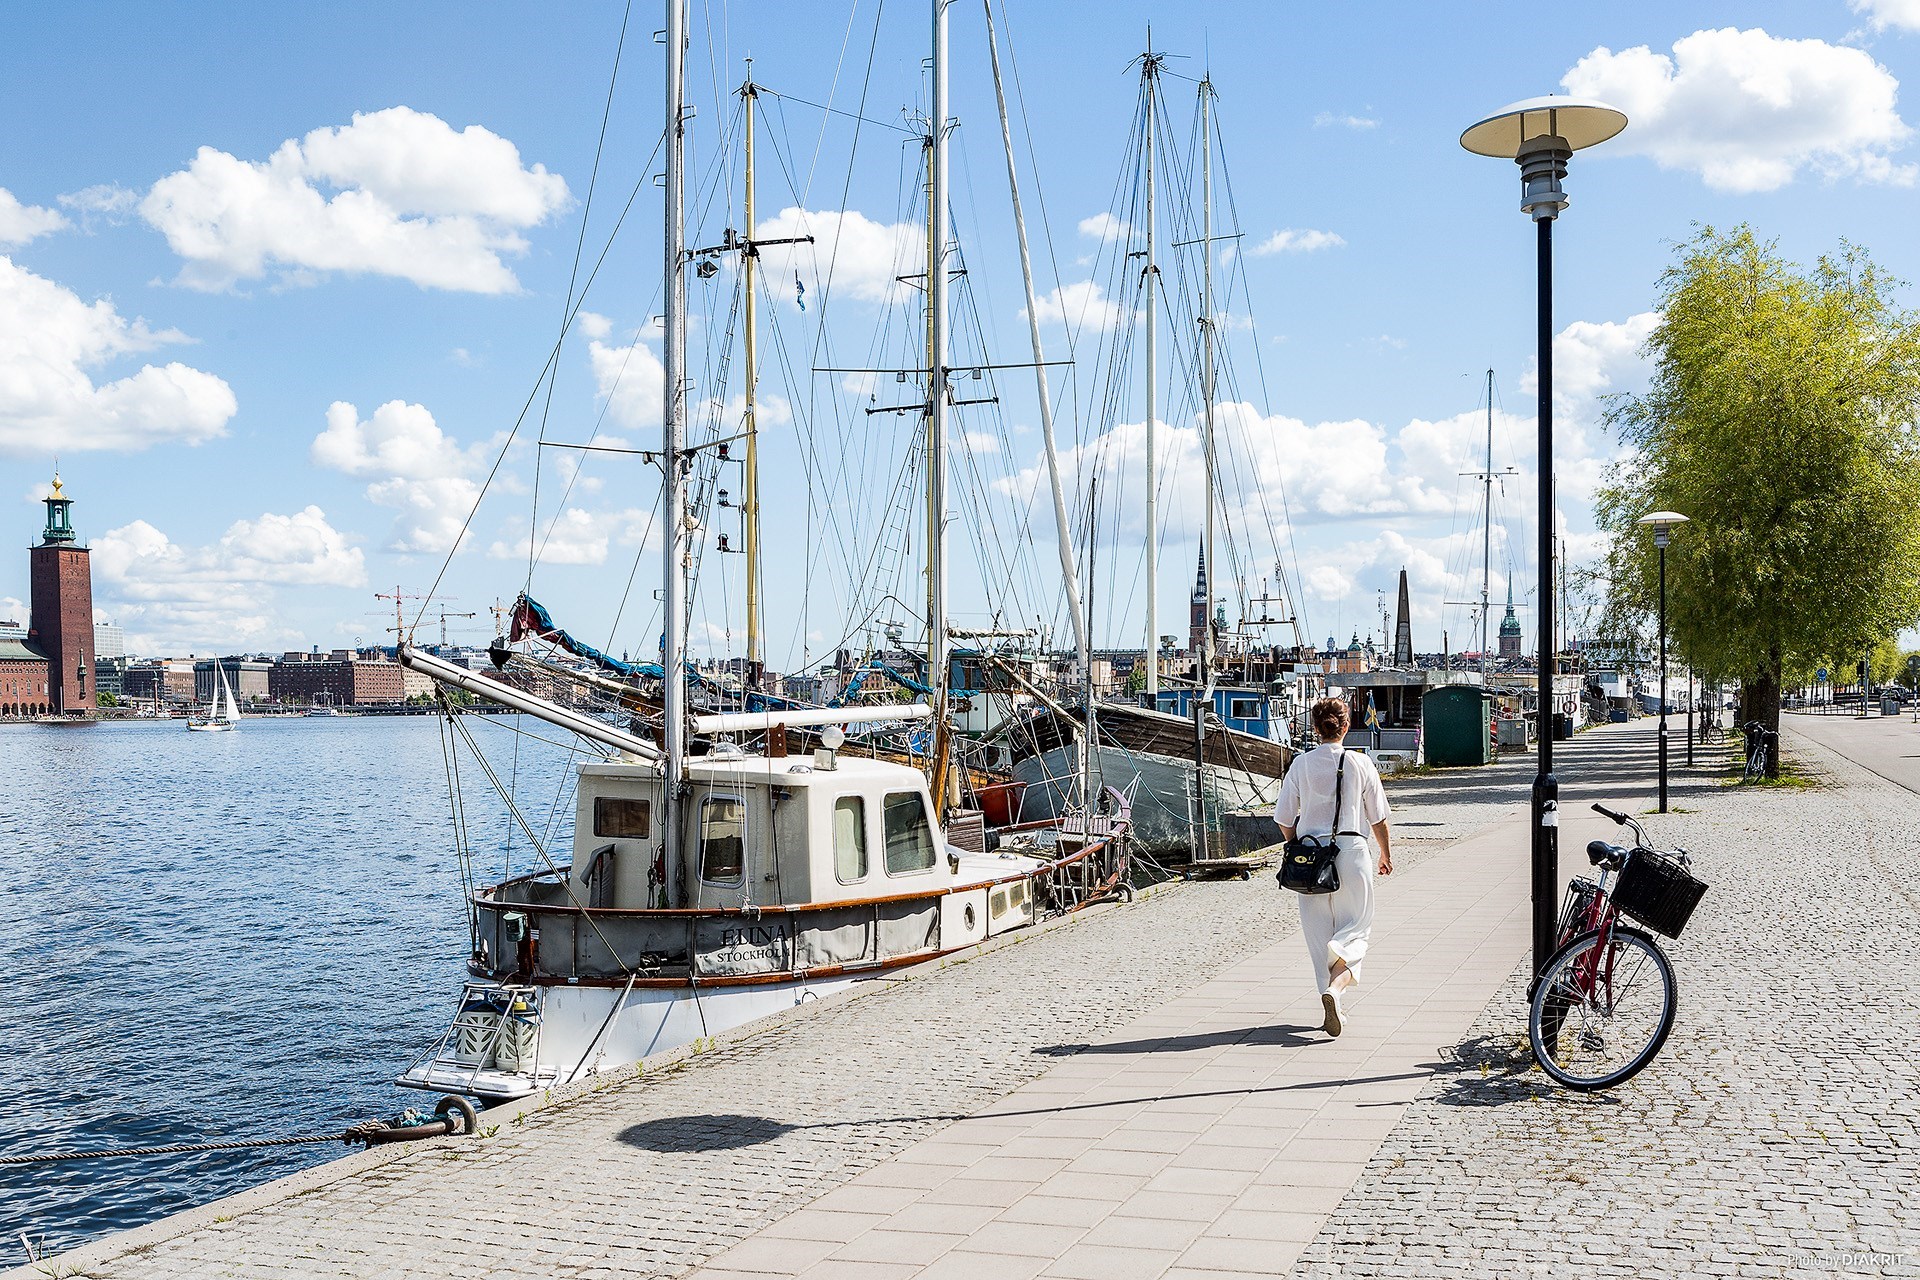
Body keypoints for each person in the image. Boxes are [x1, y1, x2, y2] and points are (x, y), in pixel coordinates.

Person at [1274, 696, 1392, 1036]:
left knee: (1318, 934)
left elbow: (1283, 818)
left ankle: (1329, 994)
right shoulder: (1361, 763)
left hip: (1312, 858)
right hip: (1353, 852)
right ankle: (1336, 990)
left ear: (1315, 728)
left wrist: (1297, 839)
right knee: (1357, 926)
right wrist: (1385, 853)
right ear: (1346, 726)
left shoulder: (1301, 764)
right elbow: (1378, 818)